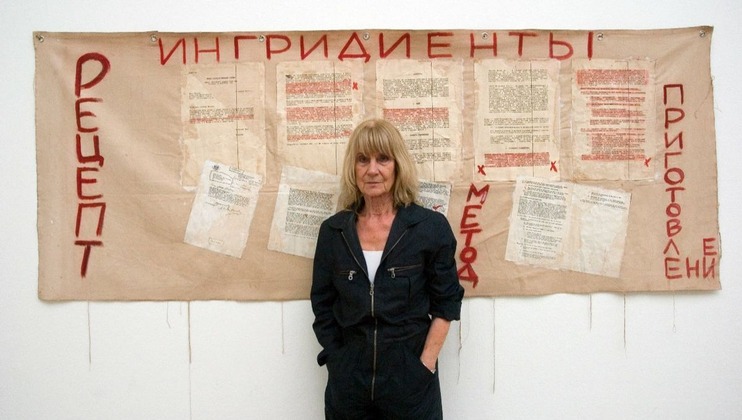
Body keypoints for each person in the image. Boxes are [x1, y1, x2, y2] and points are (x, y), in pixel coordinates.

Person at [311, 119, 465, 419]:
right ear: (353, 169)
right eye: (362, 159)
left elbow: (447, 303)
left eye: (383, 158)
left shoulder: (429, 228)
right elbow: (323, 306)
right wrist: (339, 361)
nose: (372, 170)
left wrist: (425, 365)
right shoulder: (333, 232)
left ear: (397, 166)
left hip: (410, 384)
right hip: (349, 388)